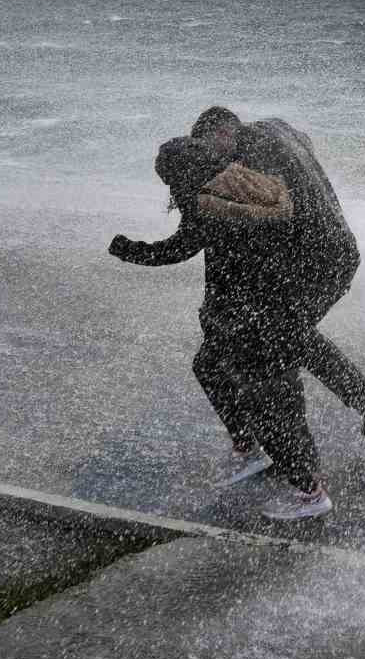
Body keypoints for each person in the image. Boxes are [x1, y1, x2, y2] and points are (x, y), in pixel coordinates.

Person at [109, 136, 331, 520]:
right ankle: (249, 451)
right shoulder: (244, 182)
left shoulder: (210, 205)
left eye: (168, 180)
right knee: (210, 368)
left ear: (183, 174)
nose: (169, 189)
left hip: (253, 320)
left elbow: (176, 249)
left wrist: (128, 249)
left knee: (263, 404)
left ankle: (309, 494)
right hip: (277, 307)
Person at [189, 106, 365, 435]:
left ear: (224, 133)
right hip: (336, 249)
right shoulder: (274, 127)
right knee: (285, 334)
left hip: (319, 260)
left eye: (211, 151)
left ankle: (281, 437)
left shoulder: (254, 156)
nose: (212, 163)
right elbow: (304, 143)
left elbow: (270, 220)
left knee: (281, 337)